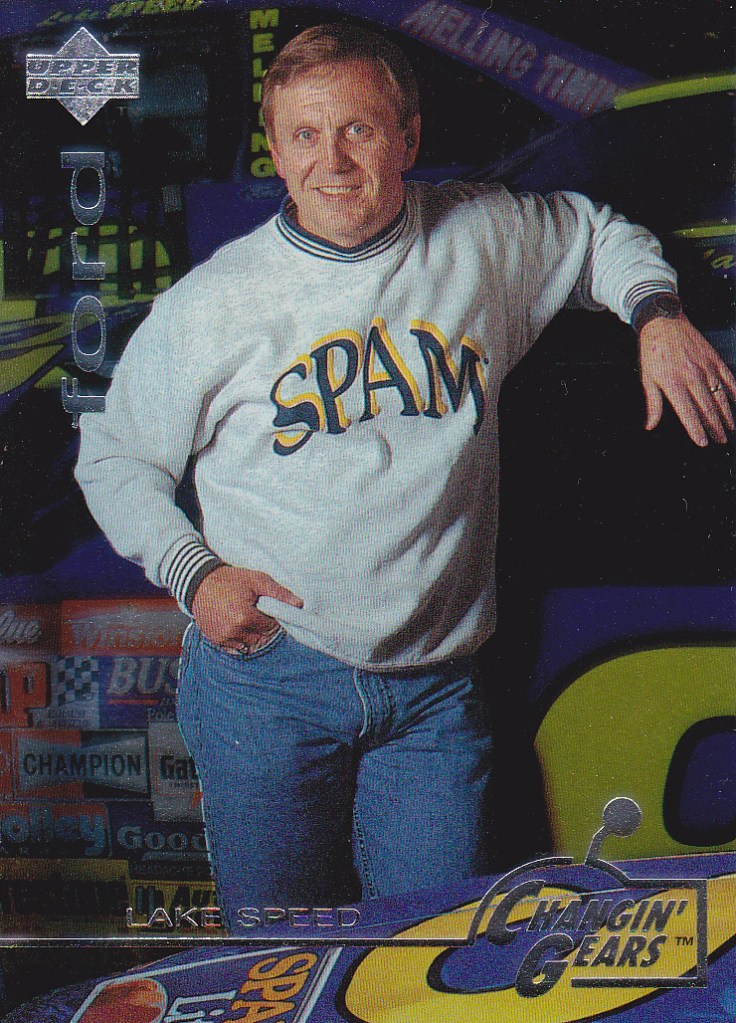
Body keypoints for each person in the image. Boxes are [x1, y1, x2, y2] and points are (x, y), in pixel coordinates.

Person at [75, 23, 735, 932]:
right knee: (280, 956)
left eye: (359, 129)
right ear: (277, 151)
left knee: (429, 954)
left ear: (408, 137)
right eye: (306, 135)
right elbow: (113, 456)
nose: (333, 161)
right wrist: (196, 574)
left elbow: (594, 236)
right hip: (273, 679)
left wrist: (654, 314)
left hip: (435, 696)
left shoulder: (480, 237)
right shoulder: (217, 301)